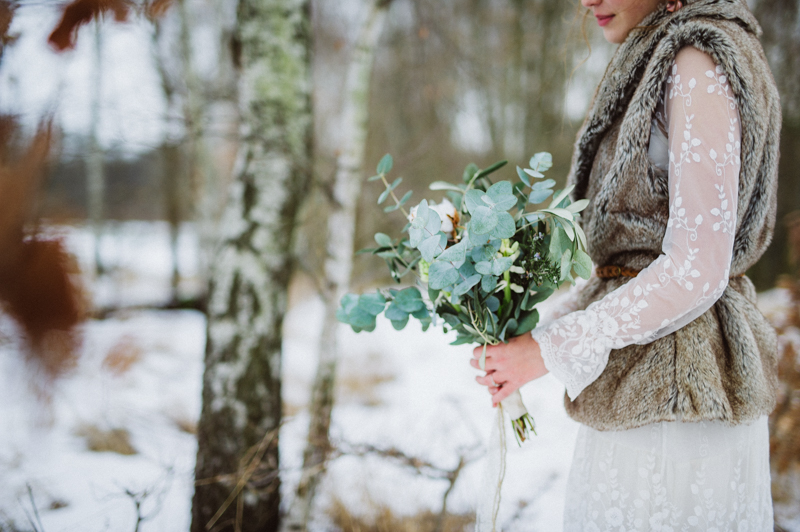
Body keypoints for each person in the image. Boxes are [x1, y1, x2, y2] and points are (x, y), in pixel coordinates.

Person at [469, 0, 781, 529]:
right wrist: (531, 333)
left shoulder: (697, 58)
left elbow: (695, 268)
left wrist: (549, 349)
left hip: (676, 394)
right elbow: (624, 269)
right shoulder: (663, 52)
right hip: (650, 378)